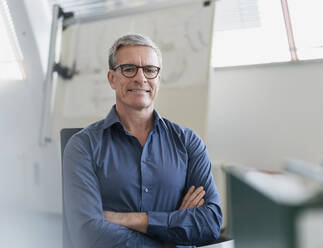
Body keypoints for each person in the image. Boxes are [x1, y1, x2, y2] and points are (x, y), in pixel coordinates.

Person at [63, 34, 222, 248]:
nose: (140, 78)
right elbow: (89, 233)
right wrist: (170, 237)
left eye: (149, 70)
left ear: (158, 78)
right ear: (112, 78)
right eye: (129, 69)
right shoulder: (83, 146)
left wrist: (128, 219)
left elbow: (210, 223)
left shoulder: (188, 143)